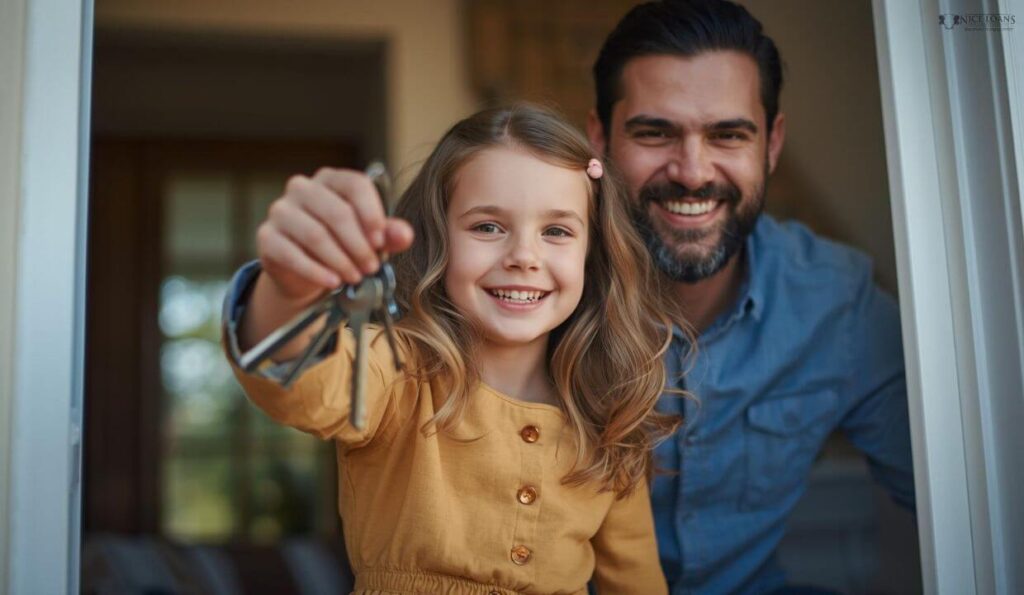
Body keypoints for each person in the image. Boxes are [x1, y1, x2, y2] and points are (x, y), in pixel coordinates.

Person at [222, 104, 682, 593]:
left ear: (593, 255)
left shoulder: (610, 418)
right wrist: (289, 291)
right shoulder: (396, 369)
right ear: (437, 237)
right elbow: (307, 386)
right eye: (487, 226)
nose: (524, 256)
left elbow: (637, 582)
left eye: (557, 231)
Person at [584, 1, 915, 593]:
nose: (691, 171)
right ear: (600, 139)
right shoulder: (528, 286)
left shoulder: (837, 303)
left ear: (771, 143)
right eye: (655, 132)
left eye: (727, 134)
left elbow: (970, 491)